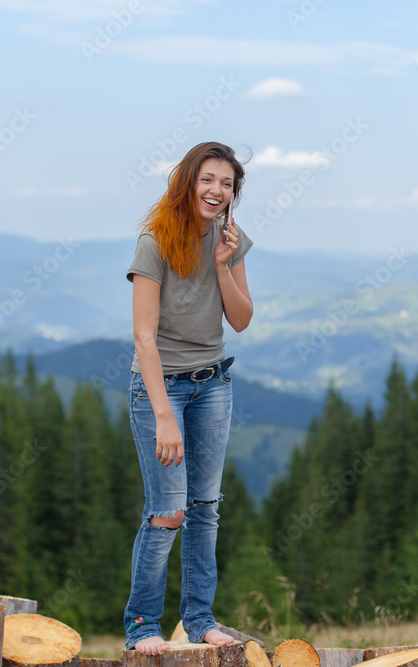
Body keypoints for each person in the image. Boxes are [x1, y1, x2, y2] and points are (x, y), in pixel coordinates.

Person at [123, 142, 253, 655]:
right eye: (208, 180)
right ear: (187, 183)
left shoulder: (230, 240)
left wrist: (223, 263)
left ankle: (200, 620)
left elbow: (240, 320)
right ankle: (141, 626)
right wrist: (164, 417)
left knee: (205, 507)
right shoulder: (154, 240)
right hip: (161, 389)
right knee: (168, 511)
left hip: (214, 384)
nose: (217, 191)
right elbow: (143, 337)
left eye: (227, 184)